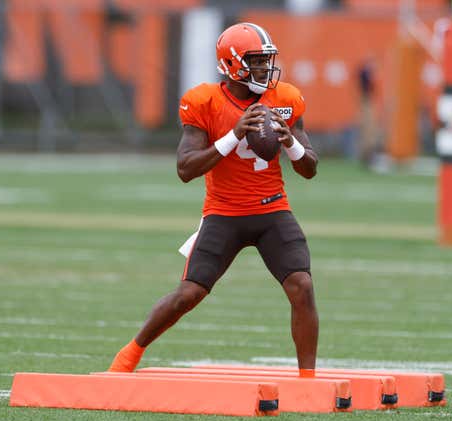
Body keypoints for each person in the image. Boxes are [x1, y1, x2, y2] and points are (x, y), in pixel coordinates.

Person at [107, 22, 320, 377]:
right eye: (256, 61)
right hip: (224, 213)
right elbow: (185, 168)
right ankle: (127, 355)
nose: (265, 69)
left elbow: (310, 169)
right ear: (233, 63)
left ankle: (308, 379)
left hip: (272, 210)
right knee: (187, 295)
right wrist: (234, 135)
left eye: (267, 61)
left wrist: (290, 142)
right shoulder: (204, 101)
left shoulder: (285, 99)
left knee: (302, 285)